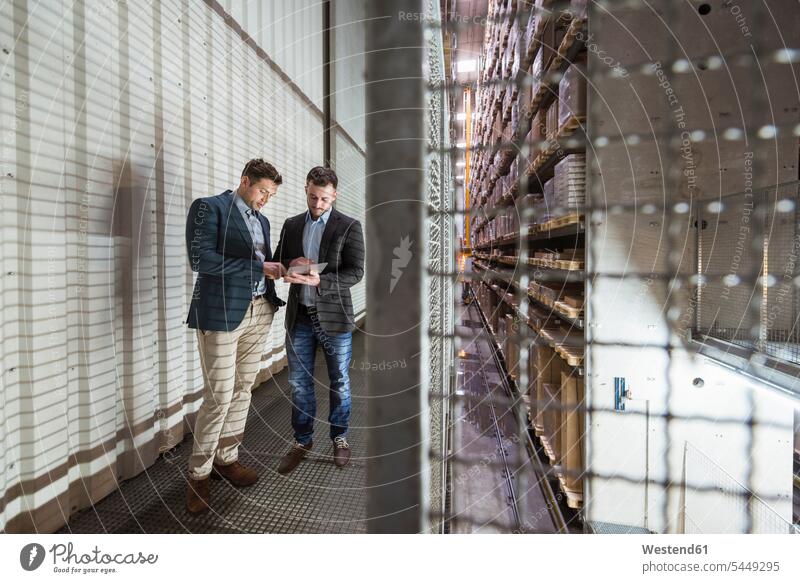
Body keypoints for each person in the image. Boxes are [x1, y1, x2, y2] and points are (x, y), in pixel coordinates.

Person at [184, 158, 287, 514]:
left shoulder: (263, 221)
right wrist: (259, 266)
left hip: (260, 310)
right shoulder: (209, 208)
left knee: (244, 388)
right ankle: (199, 475)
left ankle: (227, 459)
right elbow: (200, 259)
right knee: (219, 395)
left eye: (271, 194)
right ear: (244, 181)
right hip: (221, 312)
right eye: (262, 191)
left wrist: (286, 270)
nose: (265, 199)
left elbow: (262, 263)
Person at [273, 166, 365, 474]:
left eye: (324, 199)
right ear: (306, 189)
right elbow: (279, 259)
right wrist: (290, 266)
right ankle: (302, 440)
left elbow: (356, 270)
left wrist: (321, 280)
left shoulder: (349, 226)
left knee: (339, 380)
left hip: (334, 318)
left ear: (334, 195)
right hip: (300, 316)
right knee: (299, 383)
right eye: (313, 197)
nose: (318, 204)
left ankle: (339, 437)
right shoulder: (292, 224)